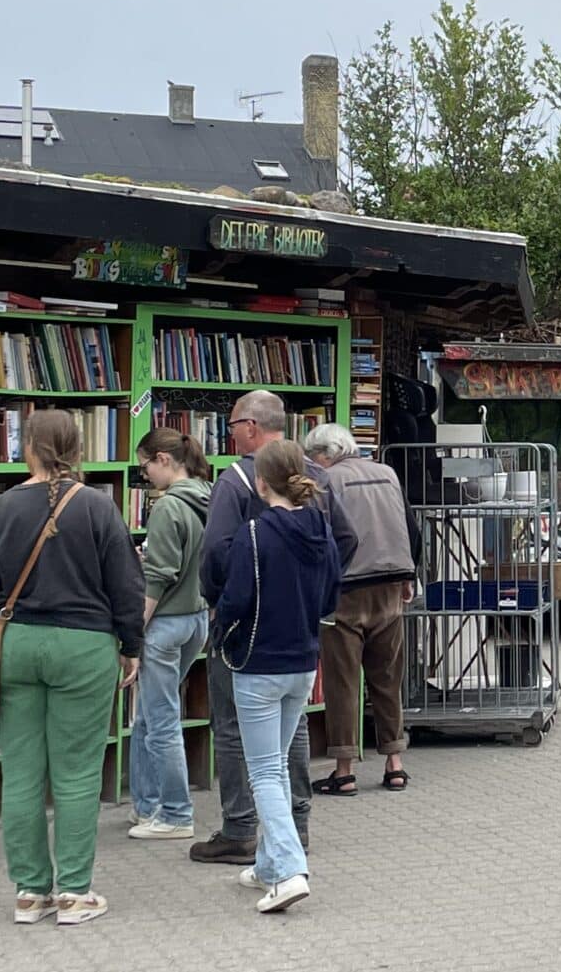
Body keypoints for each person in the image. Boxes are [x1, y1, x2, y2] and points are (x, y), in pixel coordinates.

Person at [0, 409, 143, 927]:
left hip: (17, 642)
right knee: (78, 772)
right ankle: (74, 894)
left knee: (19, 772)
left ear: (29, 447)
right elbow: (126, 584)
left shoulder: (0, 509)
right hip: (84, 647)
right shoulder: (98, 508)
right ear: (74, 445)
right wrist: (131, 645)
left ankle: (28, 893)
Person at [191, 390, 353, 865]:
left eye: (233, 423)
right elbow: (346, 538)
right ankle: (295, 826)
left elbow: (216, 552)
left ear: (251, 428)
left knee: (233, 726)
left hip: (248, 634)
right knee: (293, 726)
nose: (230, 432)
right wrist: (317, 596)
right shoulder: (319, 476)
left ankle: (241, 827)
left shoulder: (239, 479)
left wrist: (221, 608)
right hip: (301, 632)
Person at [214, 439, 342, 913]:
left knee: (265, 769)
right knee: (281, 762)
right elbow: (331, 596)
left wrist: (221, 633)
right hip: (304, 661)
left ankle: (288, 870)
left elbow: (235, 598)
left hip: (259, 661)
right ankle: (269, 863)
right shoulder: (321, 529)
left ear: (261, 482)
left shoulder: (255, 533)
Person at [303, 423, 419, 796]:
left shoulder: (325, 481)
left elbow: (320, 536)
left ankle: (345, 769)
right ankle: (395, 763)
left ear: (323, 454)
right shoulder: (387, 473)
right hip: (390, 585)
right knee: (387, 679)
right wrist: (409, 574)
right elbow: (411, 529)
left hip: (346, 591)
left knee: (343, 681)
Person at [126, 427, 213, 841]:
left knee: (160, 720)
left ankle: (175, 813)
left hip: (165, 622)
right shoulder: (209, 495)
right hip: (197, 616)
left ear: (163, 459)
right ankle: (147, 806)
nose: (145, 477)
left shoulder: (167, 508)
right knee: (150, 714)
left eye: (145, 467)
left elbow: (158, 580)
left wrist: (131, 634)